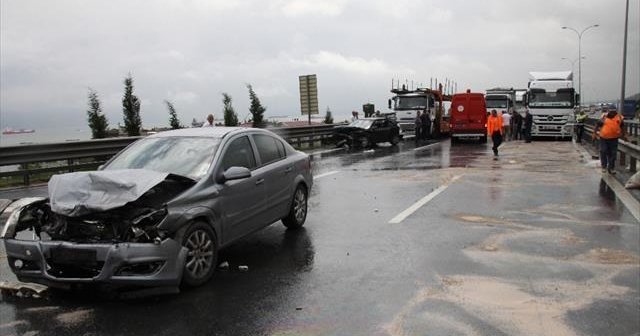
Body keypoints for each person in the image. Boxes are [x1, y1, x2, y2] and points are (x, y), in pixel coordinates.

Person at [594, 108, 626, 174]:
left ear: (616, 111)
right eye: (611, 111)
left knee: (613, 154)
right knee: (603, 151)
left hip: (614, 139)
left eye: (613, 111)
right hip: (604, 138)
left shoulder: (619, 117)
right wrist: (594, 133)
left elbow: (622, 126)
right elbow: (597, 125)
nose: (612, 112)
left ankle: (611, 168)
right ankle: (604, 166)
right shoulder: (604, 117)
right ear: (608, 111)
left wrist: (624, 135)